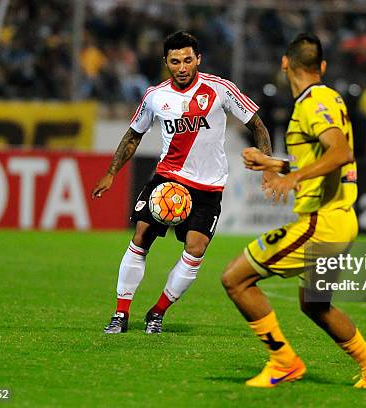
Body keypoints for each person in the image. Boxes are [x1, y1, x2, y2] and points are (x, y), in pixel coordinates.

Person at [221, 33, 366, 389]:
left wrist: (295, 176)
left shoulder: (311, 103)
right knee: (315, 305)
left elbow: (340, 152)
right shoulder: (328, 97)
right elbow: (322, 158)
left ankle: (283, 361)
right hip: (340, 220)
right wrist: (272, 163)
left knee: (235, 279)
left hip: (322, 222)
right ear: (323, 67)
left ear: (285, 64)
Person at [92, 31, 273, 334]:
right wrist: (112, 172)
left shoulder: (221, 89)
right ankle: (120, 314)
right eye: (175, 61)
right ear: (166, 62)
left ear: (198, 59)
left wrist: (267, 165)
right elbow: (134, 134)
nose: (182, 67)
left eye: (188, 60)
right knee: (141, 236)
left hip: (209, 186)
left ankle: (157, 312)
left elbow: (257, 124)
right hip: (168, 178)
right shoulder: (155, 96)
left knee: (196, 249)